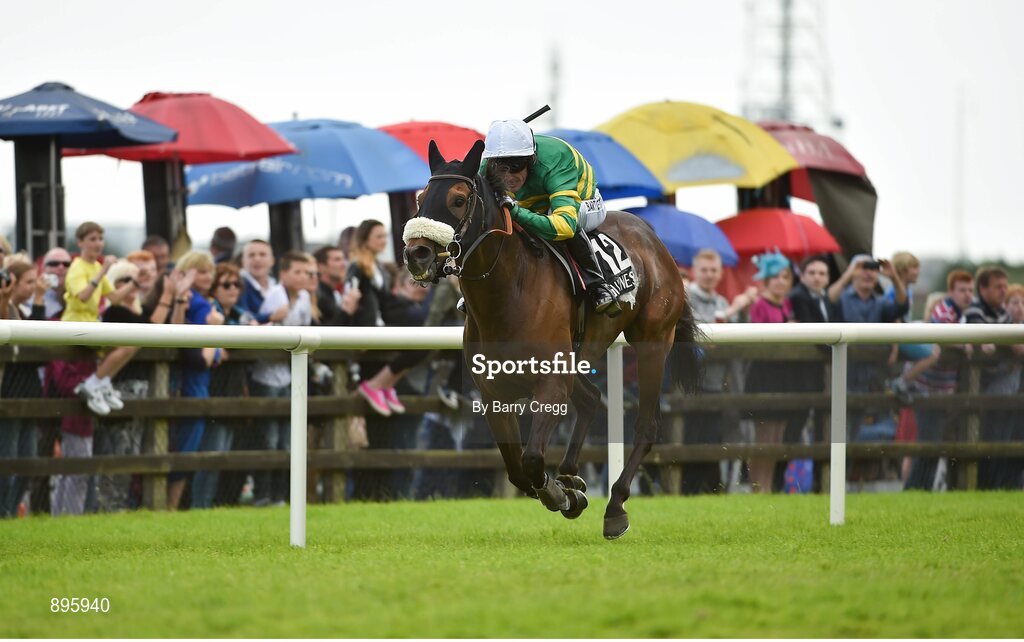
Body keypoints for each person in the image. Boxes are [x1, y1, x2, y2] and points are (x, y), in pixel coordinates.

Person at [480, 119, 620, 316]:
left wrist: (517, 212)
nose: (508, 176)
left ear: (531, 159)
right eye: (500, 167)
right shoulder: (486, 164)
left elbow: (565, 226)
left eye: (516, 166)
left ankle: (598, 286)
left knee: (556, 220)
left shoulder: (556, 158)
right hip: (534, 205)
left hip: (583, 203)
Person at [681, 248, 756, 494]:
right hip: (690, 385)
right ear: (695, 271)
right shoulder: (686, 299)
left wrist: (736, 311)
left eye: (714, 270)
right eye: (704, 270)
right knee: (691, 440)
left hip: (718, 384)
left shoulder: (721, 301)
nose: (709, 275)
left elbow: (735, 340)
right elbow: (705, 336)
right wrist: (734, 310)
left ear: (721, 273)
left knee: (713, 439)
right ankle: (688, 492)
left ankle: (709, 491)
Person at [251, 250, 315, 506]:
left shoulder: (305, 297)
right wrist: (270, 318)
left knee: (288, 439)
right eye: (296, 272)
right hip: (266, 376)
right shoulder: (274, 296)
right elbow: (261, 328)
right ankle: (263, 495)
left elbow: (306, 331)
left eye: (306, 273)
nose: (302, 277)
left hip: (289, 375)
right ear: (283, 274)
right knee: (268, 439)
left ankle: (282, 495)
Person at [904, 270, 975, 490]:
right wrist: (965, 344)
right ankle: (916, 489)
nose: (967, 295)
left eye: (970, 290)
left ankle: (920, 489)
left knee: (933, 442)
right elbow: (940, 333)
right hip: (928, 387)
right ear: (950, 291)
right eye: (962, 290)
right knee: (929, 443)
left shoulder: (959, 313)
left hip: (941, 388)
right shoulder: (946, 311)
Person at [62, 222, 140, 416]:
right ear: (80, 242)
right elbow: (82, 296)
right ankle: (93, 384)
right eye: (92, 239)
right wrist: (104, 271)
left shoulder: (97, 266)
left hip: (92, 326)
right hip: (75, 326)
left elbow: (114, 298)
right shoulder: (78, 268)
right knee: (127, 344)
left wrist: (136, 283)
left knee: (134, 343)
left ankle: (100, 383)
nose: (98, 244)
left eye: (100, 239)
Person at [828, 254, 908, 443]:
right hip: (840, 375)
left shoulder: (881, 303)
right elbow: (828, 301)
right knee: (835, 433)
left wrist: (893, 276)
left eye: (873, 269)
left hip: (869, 378)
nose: (869, 273)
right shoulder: (842, 298)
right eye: (863, 268)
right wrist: (849, 273)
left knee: (854, 435)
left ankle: (845, 473)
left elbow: (901, 306)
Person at [193, 262, 252, 509]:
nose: (232, 289)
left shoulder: (239, 314)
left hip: (234, 392)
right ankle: (201, 505)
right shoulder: (211, 312)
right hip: (214, 391)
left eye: (236, 284)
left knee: (224, 455)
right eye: (225, 284)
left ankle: (214, 504)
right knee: (211, 456)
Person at [168, 251, 223, 510]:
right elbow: (205, 356)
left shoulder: (206, 302)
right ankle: (169, 505)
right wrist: (215, 333)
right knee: (185, 448)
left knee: (189, 448)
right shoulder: (194, 302)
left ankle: (174, 506)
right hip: (191, 381)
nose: (208, 276)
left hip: (199, 381)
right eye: (200, 271)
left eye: (210, 271)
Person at [743, 251, 797, 493]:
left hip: (783, 375)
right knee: (764, 436)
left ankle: (769, 486)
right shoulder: (760, 305)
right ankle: (758, 488)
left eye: (785, 276)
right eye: (775, 276)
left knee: (778, 436)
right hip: (764, 373)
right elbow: (758, 337)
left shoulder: (786, 304)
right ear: (766, 279)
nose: (780, 281)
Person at [0, 257, 48, 517]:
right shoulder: (9, 308)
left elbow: (37, 350)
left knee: (28, 463)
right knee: (7, 464)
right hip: (8, 397)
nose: (34, 287)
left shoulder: (21, 311)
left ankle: (7, 513)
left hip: (28, 396)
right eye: (29, 282)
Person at [964, 266, 1018, 490]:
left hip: (998, 390)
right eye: (998, 286)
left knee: (1001, 438)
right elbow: (986, 342)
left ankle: (993, 485)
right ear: (983, 288)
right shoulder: (974, 311)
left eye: (1005, 286)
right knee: (986, 439)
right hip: (978, 391)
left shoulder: (1003, 314)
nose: (1003, 291)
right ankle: (984, 486)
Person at [886, 252, 941, 404]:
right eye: (914, 268)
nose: (918, 272)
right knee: (932, 354)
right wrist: (895, 348)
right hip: (898, 336)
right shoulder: (894, 292)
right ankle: (902, 382)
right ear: (903, 270)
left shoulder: (907, 290)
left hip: (904, 332)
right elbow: (894, 319)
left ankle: (908, 380)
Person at [312, 245, 360, 326]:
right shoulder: (317, 295)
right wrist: (346, 311)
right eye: (337, 260)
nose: (344, 264)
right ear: (320, 266)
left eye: (343, 259)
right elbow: (324, 333)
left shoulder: (334, 293)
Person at [239, 239, 279, 324]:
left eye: (262, 254)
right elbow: (242, 314)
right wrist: (271, 317)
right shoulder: (237, 285)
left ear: (272, 260)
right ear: (243, 262)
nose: (257, 259)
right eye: (251, 255)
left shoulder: (278, 285)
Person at [41, 246, 72, 320]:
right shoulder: (31, 298)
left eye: (66, 264)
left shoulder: (79, 295)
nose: (61, 267)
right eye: (54, 263)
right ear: (43, 268)